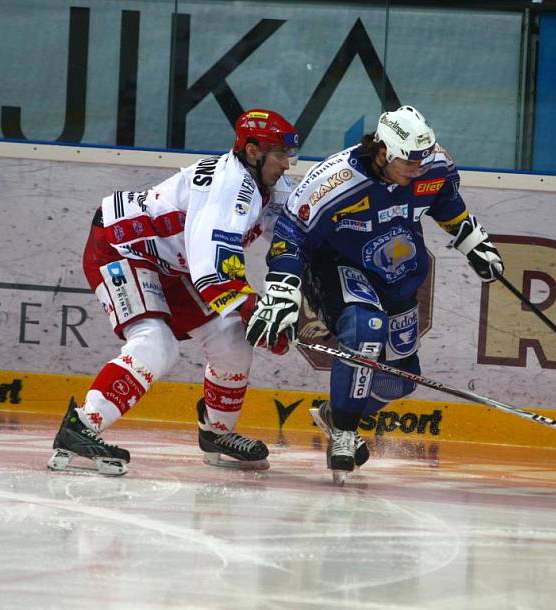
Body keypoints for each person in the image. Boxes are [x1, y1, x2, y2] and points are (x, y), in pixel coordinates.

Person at [246, 105, 504, 484]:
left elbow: (445, 201)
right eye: (408, 163)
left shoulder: (432, 165)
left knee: (399, 380)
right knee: (367, 327)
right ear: (382, 152)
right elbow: (290, 232)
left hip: (395, 272)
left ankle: (336, 415)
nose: (418, 169)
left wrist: (471, 239)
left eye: (422, 160)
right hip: (336, 267)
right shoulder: (335, 182)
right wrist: (283, 287)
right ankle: (346, 432)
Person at [48, 109, 299, 476]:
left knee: (232, 339)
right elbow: (211, 268)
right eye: (278, 153)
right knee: (156, 343)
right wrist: (253, 308)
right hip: (122, 247)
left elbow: (291, 241)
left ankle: (217, 433)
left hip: (174, 265)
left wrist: (287, 303)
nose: (286, 164)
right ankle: (82, 426)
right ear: (251, 151)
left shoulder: (270, 187)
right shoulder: (227, 189)